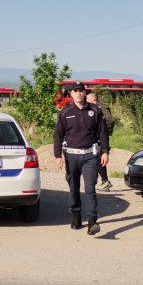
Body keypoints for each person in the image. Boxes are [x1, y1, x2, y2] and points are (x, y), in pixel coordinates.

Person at [54, 82, 110, 235]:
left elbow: (102, 132)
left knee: (90, 189)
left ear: (85, 93)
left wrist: (105, 151)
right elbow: (58, 134)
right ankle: (76, 217)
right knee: (74, 189)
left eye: (81, 91)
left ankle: (92, 222)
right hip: (71, 156)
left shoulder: (95, 110)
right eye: (76, 91)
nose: (79, 93)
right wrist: (57, 155)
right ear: (71, 94)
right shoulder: (65, 112)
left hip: (90, 156)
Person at [86, 92, 115, 192]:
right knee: (97, 158)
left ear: (92, 99)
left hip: (100, 138)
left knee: (99, 158)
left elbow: (110, 120)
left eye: (87, 99)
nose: (86, 101)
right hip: (94, 137)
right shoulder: (91, 108)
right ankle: (104, 181)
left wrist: (105, 131)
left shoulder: (100, 107)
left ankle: (105, 181)